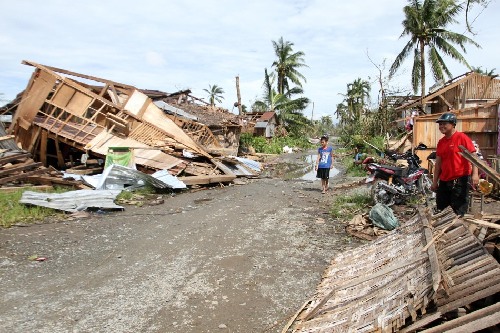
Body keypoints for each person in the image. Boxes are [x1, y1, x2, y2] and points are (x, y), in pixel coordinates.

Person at [430, 112, 479, 216]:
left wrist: (475, 174)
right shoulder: (441, 142)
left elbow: (474, 157)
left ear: (453, 124)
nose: (441, 126)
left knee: (458, 210)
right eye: (440, 124)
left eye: (444, 124)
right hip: (444, 180)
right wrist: (435, 182)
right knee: (441, 209)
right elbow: (438, 164)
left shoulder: (462, 137)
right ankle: (443, 231)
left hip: (460, 180)